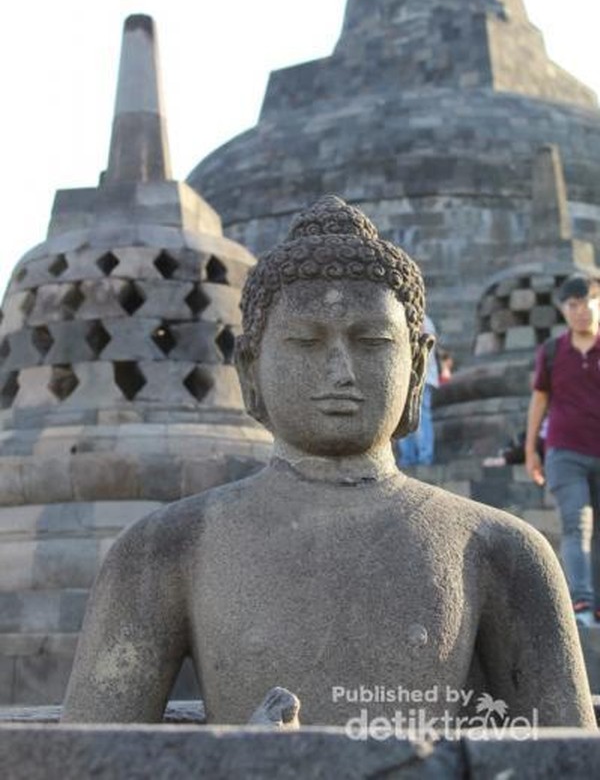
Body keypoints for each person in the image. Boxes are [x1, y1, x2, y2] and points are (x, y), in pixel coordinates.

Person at [62, 197, 594, 728]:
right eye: (304, 342)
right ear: (249, 367)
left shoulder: (501, 550)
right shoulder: (163, 550)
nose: (341, 371)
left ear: (416, 365)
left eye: (371, 342)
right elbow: (82, 761)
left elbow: (569, 761)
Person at [525, 273, 600, 627]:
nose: (583, 310)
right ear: (563, 310)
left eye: (590, 301)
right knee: (576, 524)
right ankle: (582, 603)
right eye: (574, 305)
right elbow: (539, 401)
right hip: (565, 450)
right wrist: (530, 450)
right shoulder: (553, 352)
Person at [398, 314, 439, 465]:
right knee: (403, 416)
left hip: (423, 377)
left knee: (422, 416)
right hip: (404, 378)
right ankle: (408, 457)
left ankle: (424, 456)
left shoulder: (423, 321)